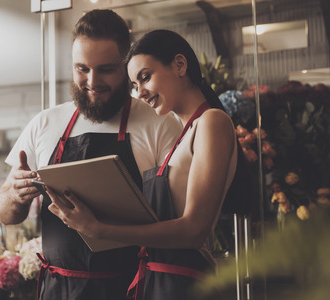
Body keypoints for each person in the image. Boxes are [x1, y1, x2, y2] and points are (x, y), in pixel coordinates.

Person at [0, 11, 182, 300]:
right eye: (82, 68)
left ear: (126, 65)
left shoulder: (159, 122)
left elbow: (180, 221)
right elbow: (5, 213)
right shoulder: (45, 123)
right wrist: (14, 194)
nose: (92, 81)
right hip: (58, 289)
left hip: (132, 287)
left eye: (105, 69)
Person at [46, 29, 243, 300]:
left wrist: (99, 230)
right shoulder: (182, 133)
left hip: (188, 287)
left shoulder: (212, 122)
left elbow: (194, 230)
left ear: (180, 65)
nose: (140, 93)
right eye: (135, 86)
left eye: (145, 77)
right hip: (160, 283)